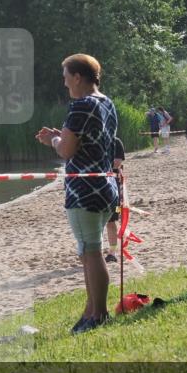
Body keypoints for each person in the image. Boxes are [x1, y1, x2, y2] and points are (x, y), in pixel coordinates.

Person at [36, 54, 118, 334]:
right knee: (88, 252)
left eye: (65, 75)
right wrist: (63, 135)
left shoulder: (81, 105)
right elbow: (90, 141)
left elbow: (66, 150)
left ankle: (99, 314)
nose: (64, 82)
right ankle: (90, 311)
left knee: (91, 252)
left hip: (84, 191)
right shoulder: (106, 102)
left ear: (78, 77)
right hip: (106, 187)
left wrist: (53, 140)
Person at [104, 135, 125, 263]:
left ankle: (112, 252)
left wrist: (98, 165)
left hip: (114, 187)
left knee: (112, 220)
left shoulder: (116, 141)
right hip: (97, 185)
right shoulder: (97, 142)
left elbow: (117, 163)